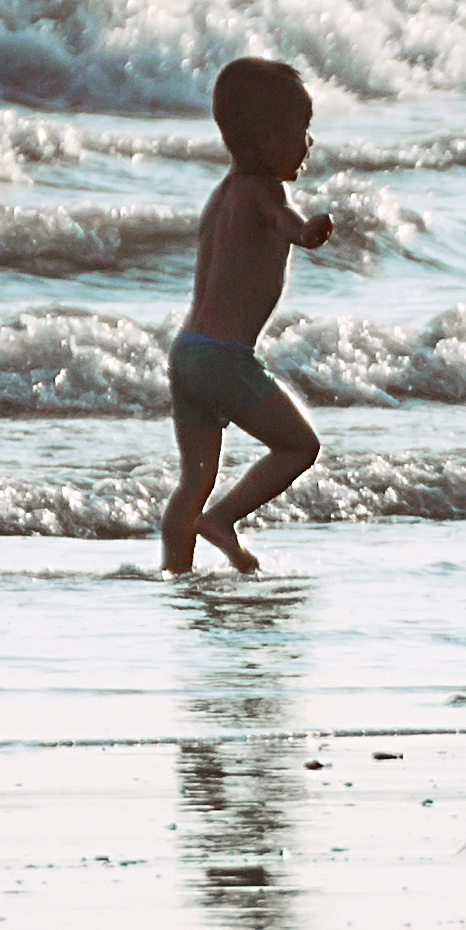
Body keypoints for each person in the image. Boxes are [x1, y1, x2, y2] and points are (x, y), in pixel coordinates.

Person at [157, 56, 334, 575]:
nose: (309, 142)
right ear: (267, 136)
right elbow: (283, 220)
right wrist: (307, 234)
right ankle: (222, 519)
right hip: (224, 359)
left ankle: (176, 573)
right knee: (300, 446)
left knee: (194, 481)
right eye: (302, 129)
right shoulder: (265, 191)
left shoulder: (222, 196)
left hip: (188, 354)